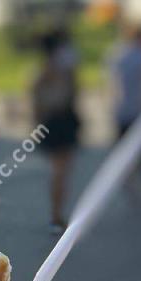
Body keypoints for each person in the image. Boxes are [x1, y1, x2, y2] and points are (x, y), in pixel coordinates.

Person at [32, 29, 81, 234]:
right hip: (58, 121)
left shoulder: (44, 70)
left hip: (56, 120)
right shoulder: (53, 71)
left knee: (61, 170)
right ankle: (56, 214)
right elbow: (66, 94)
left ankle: (57, 212)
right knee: (60, 171)